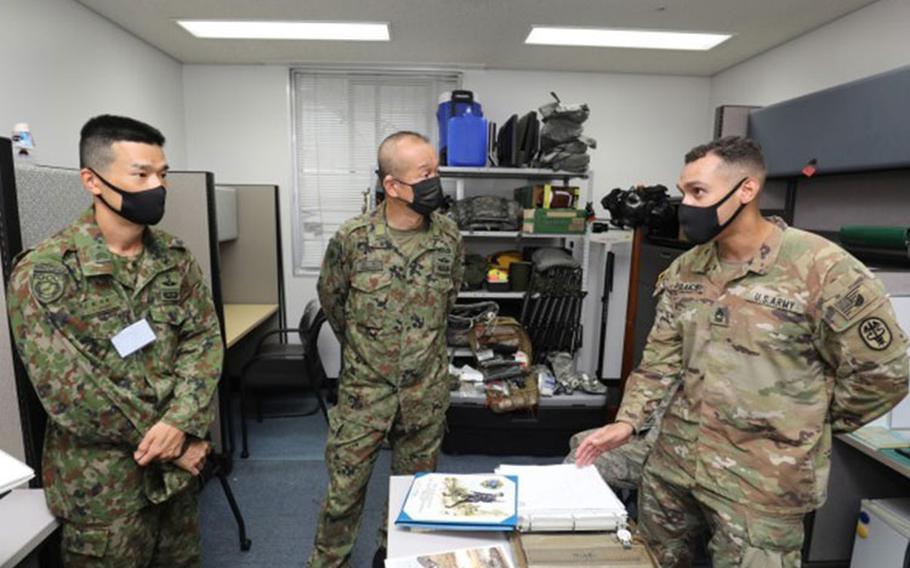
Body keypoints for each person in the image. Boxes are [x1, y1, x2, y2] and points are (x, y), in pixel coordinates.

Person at [575, 136, 909, 567]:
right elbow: (661, 359)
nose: (685, 205)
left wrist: (805, 421)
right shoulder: (687, 268)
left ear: (746, 190)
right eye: (684, 192)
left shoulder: (823, 269)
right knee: (654, 560)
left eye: (699, 192)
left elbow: (885, 374)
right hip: (675, 464)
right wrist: (628, 421)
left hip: (762, 483)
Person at [7, 115, 223, 566]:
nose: (156, 187)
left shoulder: (175, 258)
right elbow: (71, 394)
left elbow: (203, 341)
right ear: (93, 181)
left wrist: (181, 421)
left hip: (175, 484)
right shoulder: (48, 272)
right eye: (141, 175)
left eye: (162, 174)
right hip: (105, 489)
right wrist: (179, 446)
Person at [309, 131, 464, 568]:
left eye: (437, 170)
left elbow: (449, 299)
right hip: (364, 395)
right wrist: (369, 351)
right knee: (344, 493)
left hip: (424, 391)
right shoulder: (353, 238)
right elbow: (333, 301)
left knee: (415, 492)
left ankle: (393, 555)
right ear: (392, 186)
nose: (437, 181)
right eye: (426, 173)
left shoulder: (449, 237)